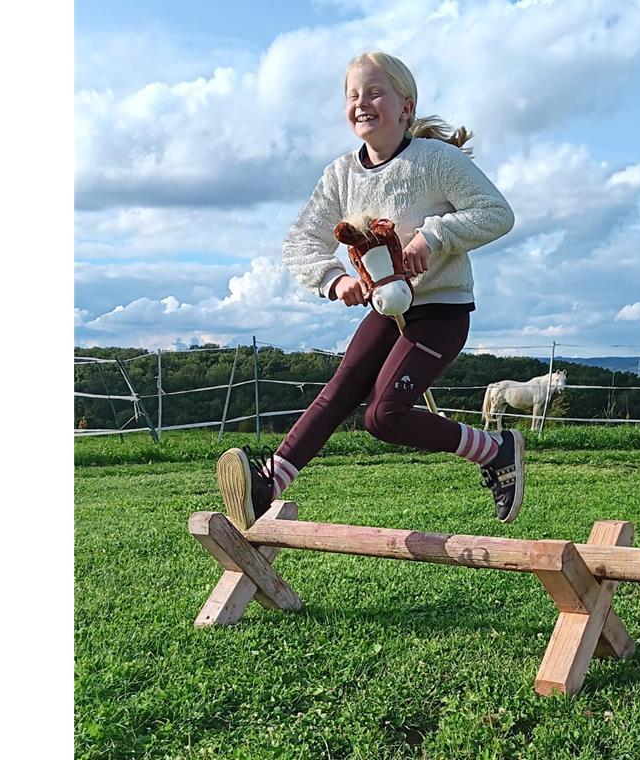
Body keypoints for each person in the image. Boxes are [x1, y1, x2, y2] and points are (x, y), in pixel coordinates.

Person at [216, 51, 521, 531]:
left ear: (405, 106)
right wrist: (335, 279)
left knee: (383, 416)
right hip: (387, 310)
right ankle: (266, 486)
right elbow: (300, 242)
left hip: (440, 309)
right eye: (353, 95)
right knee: (337, 391)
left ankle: (495, 449)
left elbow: (496, 213)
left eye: (375, 92)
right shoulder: (341, 174)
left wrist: (433, 236)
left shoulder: (436, 160)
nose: (362, 103)